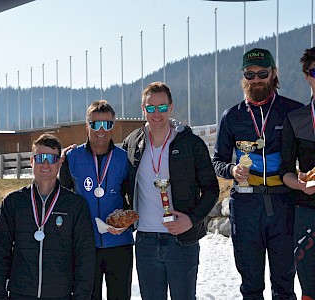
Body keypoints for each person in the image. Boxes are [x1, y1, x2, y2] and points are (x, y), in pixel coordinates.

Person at [212, 48, 304, 299]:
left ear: (274, 73)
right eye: (250, 74)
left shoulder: (293, 111)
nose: (256, 79)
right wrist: (232, 170)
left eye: (262, 73)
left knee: (284, 284)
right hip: (245, 205)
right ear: (243, 77)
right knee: (251, 285)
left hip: (283, 202)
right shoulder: (231, 116)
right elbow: (217, 161)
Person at [122, 81, 219, 300]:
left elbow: (212, 188)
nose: (157, 113)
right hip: (145, 240)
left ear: (171, 107)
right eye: (151, 108)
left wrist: (191, 219)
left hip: (182, 240)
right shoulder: (132, 143)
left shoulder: (190, 143)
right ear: (143, 109)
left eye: (163, 107)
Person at [0, 133, 96, 300]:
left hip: (60, 295)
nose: (46, 164)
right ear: (31, 161)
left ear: (60, 162)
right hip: (20, 294)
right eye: (40, 158)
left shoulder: (75, 205)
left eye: (52, 158)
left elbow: (85, 257)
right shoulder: (13, 202)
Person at [59, 100, 134, 300]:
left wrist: (127, 224)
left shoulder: (123, 158)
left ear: (113, 126)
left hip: (119, 244)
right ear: (87, 126)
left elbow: (133, 199)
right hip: (84, 246)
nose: (101, 130)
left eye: (107, 124)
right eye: (95, 124)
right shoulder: (71, 158)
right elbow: (62, 201)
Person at [280, 47, 315, 300]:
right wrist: (300, 184)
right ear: (306, 76)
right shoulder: (296, 119)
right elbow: (286, 170)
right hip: (307, 210)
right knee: (309, 288)